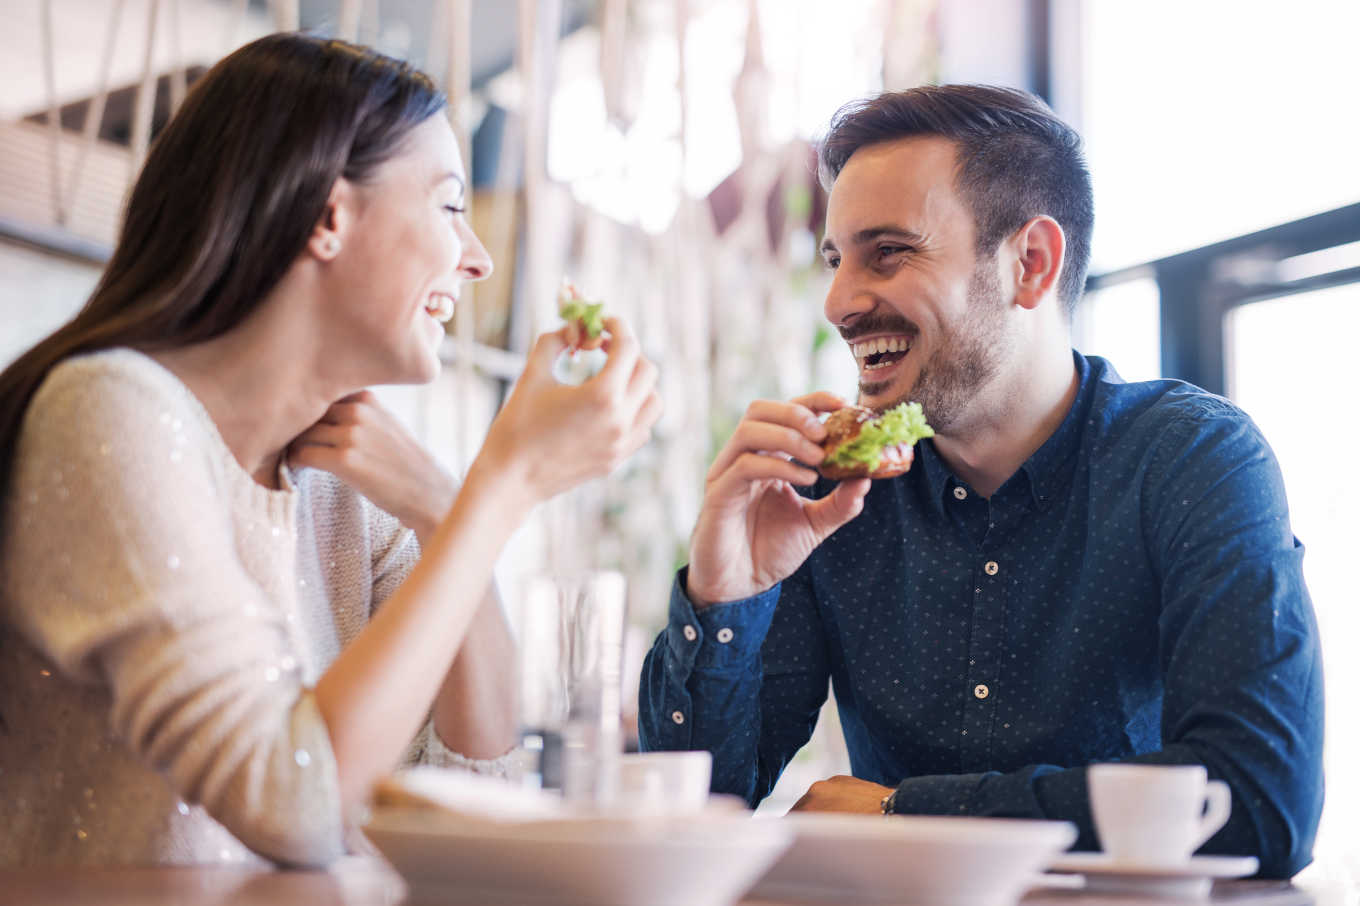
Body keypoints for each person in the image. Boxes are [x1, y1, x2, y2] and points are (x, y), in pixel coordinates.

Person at [0, 34, 661, 868]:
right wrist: (503, 488)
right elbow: (296, 804)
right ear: (327, 217)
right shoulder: (106, 411)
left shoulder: (346, 489)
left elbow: (475, 792)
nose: (479, 257)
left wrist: (445, 506)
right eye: (451, 205)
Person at [638, 84, 1322, 879]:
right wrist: (727, 594)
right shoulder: (826, 496)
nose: (839, 302)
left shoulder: (1191, 461)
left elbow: (1263, 801)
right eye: (834, 259)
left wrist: (907, 814)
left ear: (1030, 264)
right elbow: (690, 815)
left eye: (887, 252)